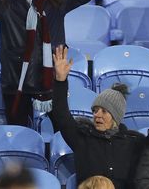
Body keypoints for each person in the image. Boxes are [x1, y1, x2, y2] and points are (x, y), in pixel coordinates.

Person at [49, 47, 143, 189]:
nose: (97, 115)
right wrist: (60, 81)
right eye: (95, 110)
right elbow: (61, 115)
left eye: (104, 111)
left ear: (116, 117)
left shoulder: (133, 142)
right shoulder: (82, 138)